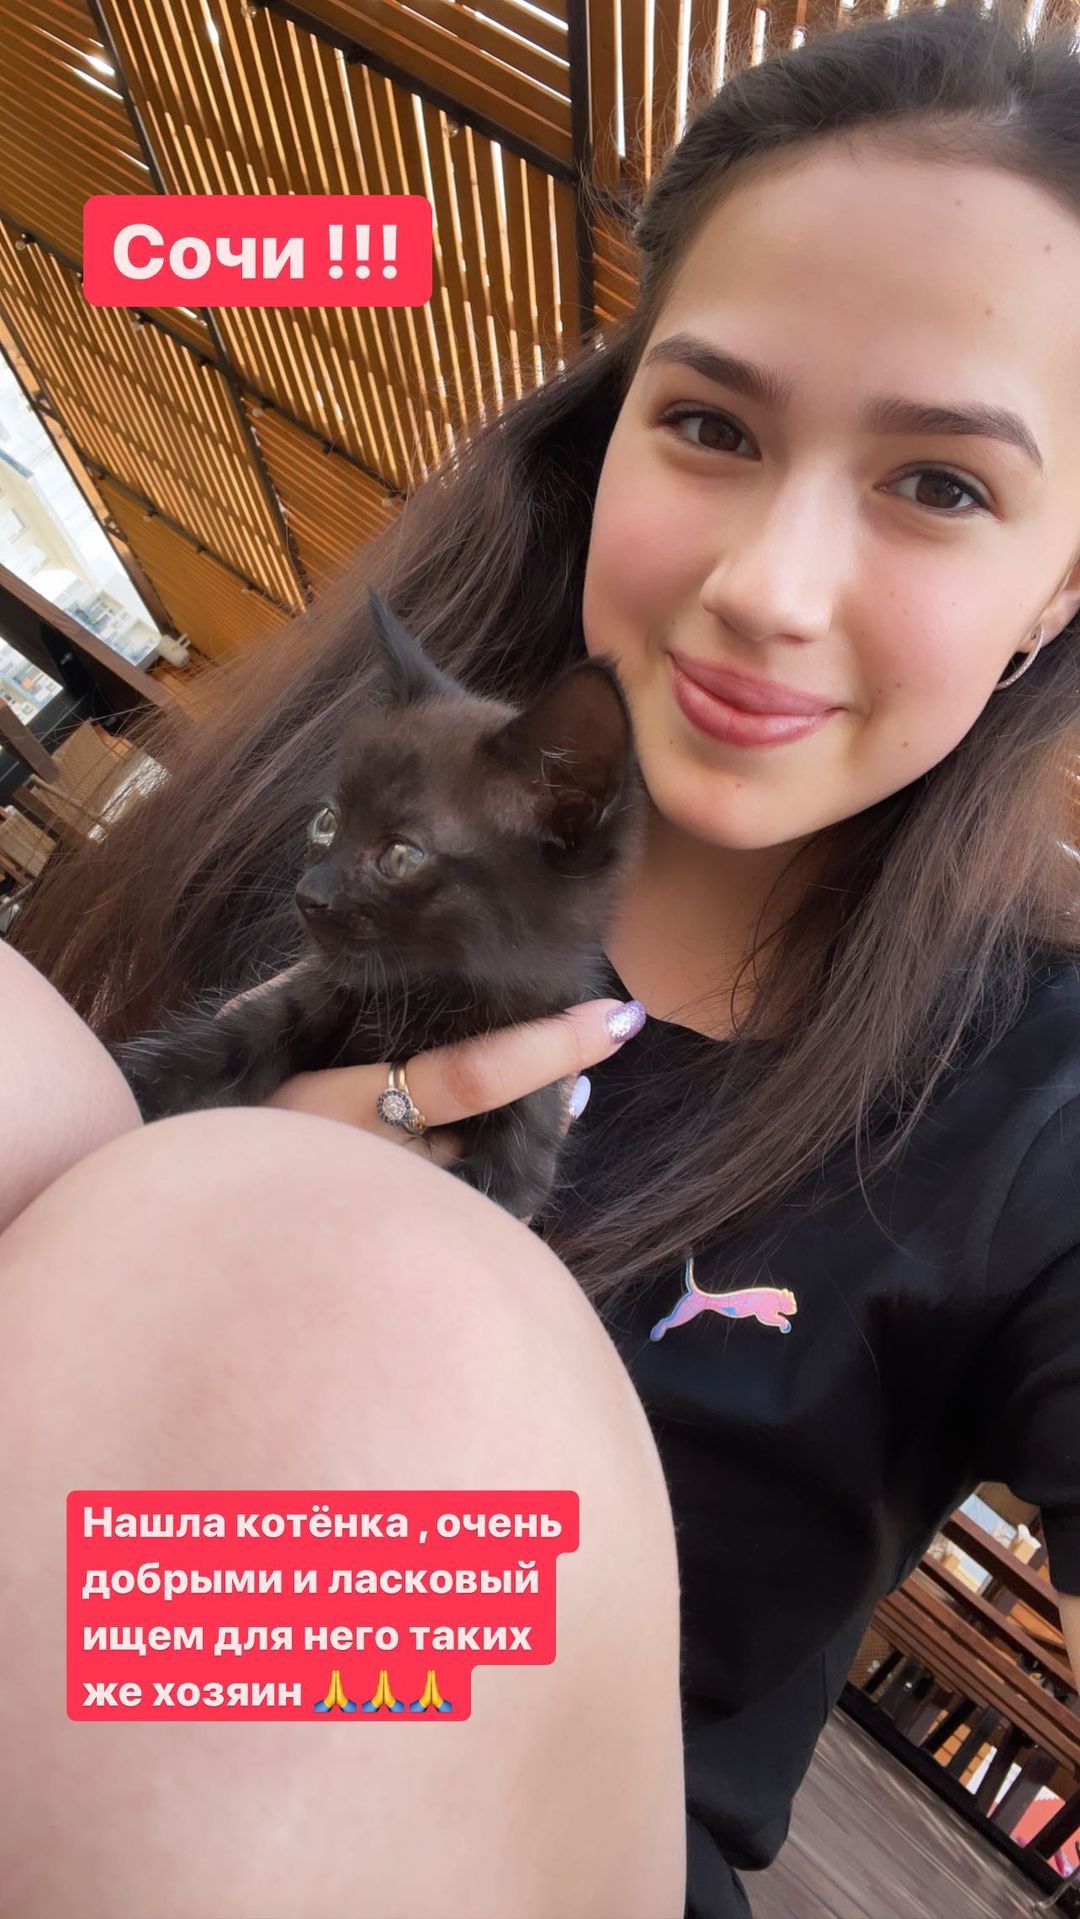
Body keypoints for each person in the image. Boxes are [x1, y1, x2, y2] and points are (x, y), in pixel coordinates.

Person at [6, 3, 1080, 1914]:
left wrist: (277, 1254)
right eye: (712, 426)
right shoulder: (331, 803)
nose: (765, 587)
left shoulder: (1040, 1105)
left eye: (942, 483)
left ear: (1058, 589)